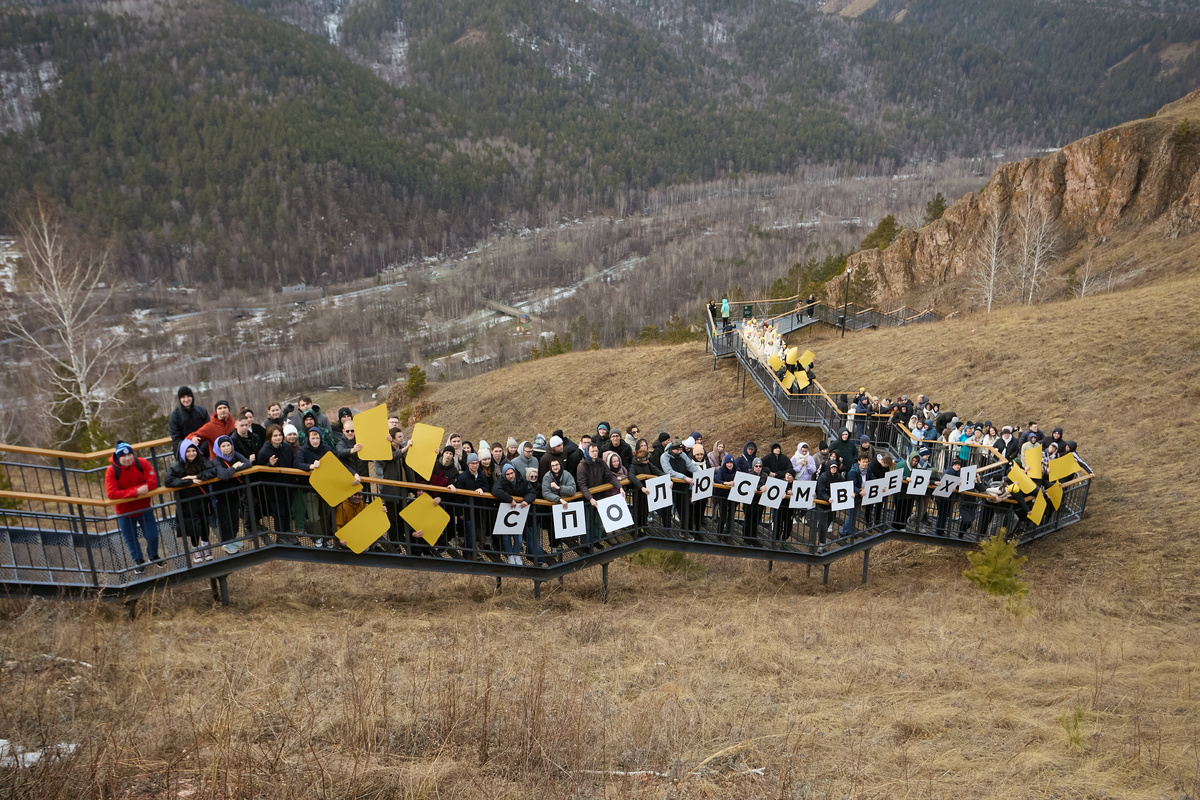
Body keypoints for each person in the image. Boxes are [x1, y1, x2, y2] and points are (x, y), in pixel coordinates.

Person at [105, 441, 161, 574]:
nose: (127, 458)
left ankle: (153, 556)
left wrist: (137, 491)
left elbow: (152, 482)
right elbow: (112, 493)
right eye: (123, 456)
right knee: (131, 539)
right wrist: (136, 492)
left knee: (152, 535)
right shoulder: (112, 470)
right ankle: (139, 561)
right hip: (124, 511)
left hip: (144, 508)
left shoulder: (141, 463)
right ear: (118, 457)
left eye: (130, 454)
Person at [165, 439, 215, 563]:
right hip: (187, 501)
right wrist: (188, 482)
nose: (191, 454)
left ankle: (206, 545)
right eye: (188, 451)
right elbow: (169, 481)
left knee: (204, 522)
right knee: (193, 525)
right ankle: (195, 548)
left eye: (193, 451)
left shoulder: (202, 462)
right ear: (183, 453)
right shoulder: (177, 467)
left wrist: (195, 477)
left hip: (202, 498)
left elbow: (212, 472)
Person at [209, 434, 252, 554]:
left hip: (233, 492)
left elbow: (248, 463)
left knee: (234, 516)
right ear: (219, 448)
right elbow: (223, 475)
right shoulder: (216, 460)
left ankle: (233, 538)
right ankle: (226, 542)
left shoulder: (235, 455)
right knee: (224, 519)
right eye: (223, 446)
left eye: (228, 445)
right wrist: (234, 467)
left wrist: (233, 469)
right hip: (221, 495)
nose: (227, 448)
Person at [577, 441, 620, 551]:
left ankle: (596, 541)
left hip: (600, 497)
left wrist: (619, 487)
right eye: (592, 451)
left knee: (598, 522)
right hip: (587, 499)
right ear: (588, 452)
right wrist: (590, 498)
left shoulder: (601, 462)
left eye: (596, 451)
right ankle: (585, 545)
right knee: (587, 523)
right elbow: (582, 485)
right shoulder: (582, 465)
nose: (595, 453)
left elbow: (610, 476)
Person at [492, 462, 536, 564]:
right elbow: (495, 490)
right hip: (505, 512)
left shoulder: (522, 481)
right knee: (506, 537)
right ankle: (510, 555)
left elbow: (531, 492)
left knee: (518, 537)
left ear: (515, 472)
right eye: (508, 474)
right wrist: (510, 499)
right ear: (504, 475)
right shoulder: (501, 482)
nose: (510, 476)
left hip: (518, 512)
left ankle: (516, 554)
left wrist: (526, 500)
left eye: (512, 473)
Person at [256, 424, 294, 539]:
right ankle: (280, 536)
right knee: (279, 513)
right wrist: (269, 465)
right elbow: (261, 473)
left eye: (279, 435)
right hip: (274, 488)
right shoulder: (264, 452)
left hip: (287, 484)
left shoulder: (287, 447)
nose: (278, 438)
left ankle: (288, 532)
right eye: (275, 436)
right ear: (269, 438)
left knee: (287, 511)